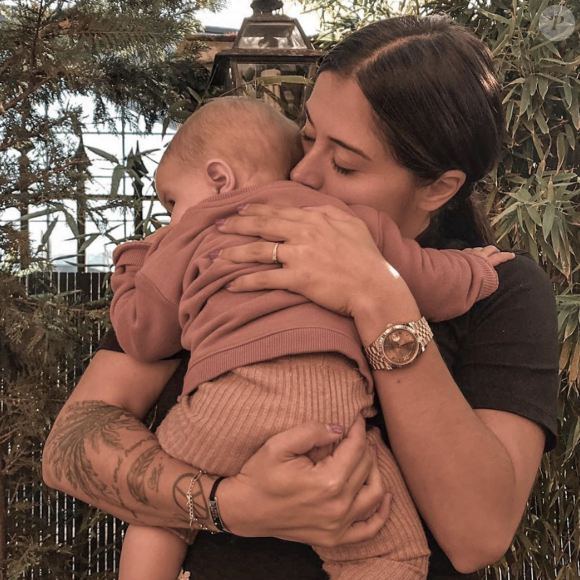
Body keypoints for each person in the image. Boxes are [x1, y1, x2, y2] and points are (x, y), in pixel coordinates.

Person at [42, 14, 559, 580]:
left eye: (344, 163)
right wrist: (230, 505)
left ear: (439, 186)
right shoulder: (226, 240)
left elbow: (477, 535)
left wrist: (378, 295)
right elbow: (72, 446)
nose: (305, 175)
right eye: (307, 135)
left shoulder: (501, 291)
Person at [110, 96, 511, 580]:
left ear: (219, 178)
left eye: (171, 200)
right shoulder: (346, 222)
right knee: (387, 555)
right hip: (333, 421)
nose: (171, 216)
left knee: (160, 515)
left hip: (217, 411)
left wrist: (134, 266)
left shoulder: (187, 234)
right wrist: (479, 270)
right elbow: (431, 281)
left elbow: (142, 334)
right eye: (306, 139)